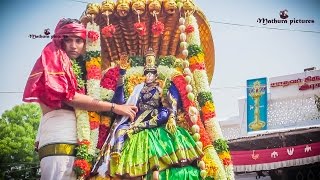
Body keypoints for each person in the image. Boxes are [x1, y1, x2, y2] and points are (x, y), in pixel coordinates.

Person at [23, 18, 138, 180]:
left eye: (79, 40)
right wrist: (115, 107)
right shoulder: (54, 59)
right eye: (68, 39)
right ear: (58, 39)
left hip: (72, 136)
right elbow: (69, 97)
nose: (73, 45)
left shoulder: (73, 64)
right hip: (61, 135)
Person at [93, 48, 203, 179]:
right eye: (147, 74)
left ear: (156, 75)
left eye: (151, 74)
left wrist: (146, 124)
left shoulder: (160, 89)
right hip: (134, 122)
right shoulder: (136, 89)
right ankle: (116, 153)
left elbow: (166, 109)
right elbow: (119, 102)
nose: (149, 76)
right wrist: (122, 74)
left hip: (154, 124)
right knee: (120, 132)